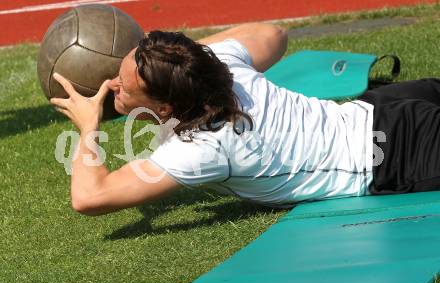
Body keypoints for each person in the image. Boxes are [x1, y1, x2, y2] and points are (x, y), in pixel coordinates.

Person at [50, 23, 440, 216]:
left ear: (167, 108)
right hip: (378, 110)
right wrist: (192, 55)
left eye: (125, 84)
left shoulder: (201, 147)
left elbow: (89, 197)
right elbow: (273, 34)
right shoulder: (219, 65)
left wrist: (89, 127)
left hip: (398, 155)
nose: (111, 84)